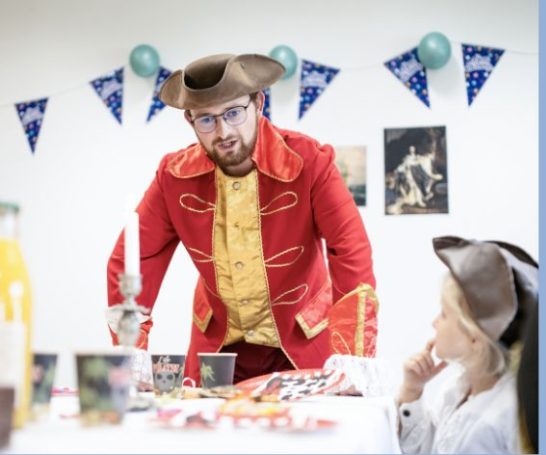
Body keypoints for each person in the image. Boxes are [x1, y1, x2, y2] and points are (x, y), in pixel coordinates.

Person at [105, 54, 375, 383]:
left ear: (258, 103)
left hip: (303, 346)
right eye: (206, 119)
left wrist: (352, 354)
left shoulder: (310, 161)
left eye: (233, 113)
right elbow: (133, 258)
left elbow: (351, 251)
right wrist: (131, 350)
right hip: (217, 353)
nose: (223, 131)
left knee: (309, 433)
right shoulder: (173, 176)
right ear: (190, 121)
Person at [397, 236, 537, 453]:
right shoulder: (457, 389)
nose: (434, 323)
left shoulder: (499, 419)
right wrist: (412, 389)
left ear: (474, 337)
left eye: (444, 314)